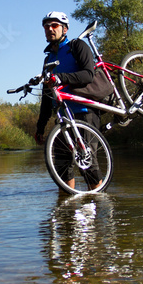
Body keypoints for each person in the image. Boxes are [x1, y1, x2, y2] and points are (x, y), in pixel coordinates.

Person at [34, 11, 103, 190]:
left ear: (64, 29)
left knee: (87, 163)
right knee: (62, 166)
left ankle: (97, 204)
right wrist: (40, 127)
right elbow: (47, 96)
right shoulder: (48, 59)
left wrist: (59, 77)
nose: (50, 29)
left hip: (85, 111)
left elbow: (88, 74)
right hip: (64, 118)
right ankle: (67, 210)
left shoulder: (76, 46)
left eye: (54, 25)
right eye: (46, 26)